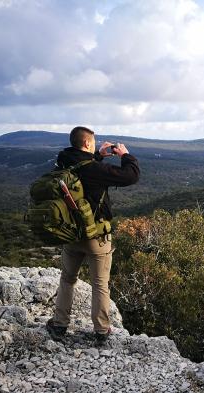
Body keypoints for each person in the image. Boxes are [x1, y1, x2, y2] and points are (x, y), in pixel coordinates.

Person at [46, 126, 140, 345]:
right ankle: (101, 330)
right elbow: (131, 176)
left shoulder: (64, 162)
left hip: (71, 234)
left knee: (67, 279)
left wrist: (97, 155)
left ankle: (59, 325)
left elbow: (83, 167)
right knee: (100, 284)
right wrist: (125, 155)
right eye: (93, 143)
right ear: (88, 143)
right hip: (96, 237)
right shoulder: (95, 170)